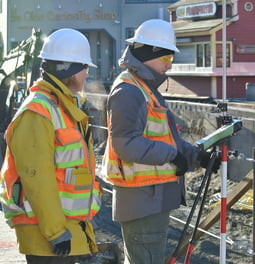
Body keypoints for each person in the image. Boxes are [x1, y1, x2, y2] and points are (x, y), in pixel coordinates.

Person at [101, 19, 219, 264]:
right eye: (166, 59)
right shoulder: (129, 92)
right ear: (147, 54)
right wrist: (172, 155)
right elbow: (125, 144)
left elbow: (167, 139)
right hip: (142, 201)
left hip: (150, 200)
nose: (169, 66)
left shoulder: (145, 90)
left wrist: (197, 156)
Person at [0, 28, 102, 264]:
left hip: (65, 230)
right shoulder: (38, 111)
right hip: (49, 237)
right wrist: (56, 232)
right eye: (84, 68)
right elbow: (37, 178)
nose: (87, 74)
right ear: (69, 69)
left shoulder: (62, 107)